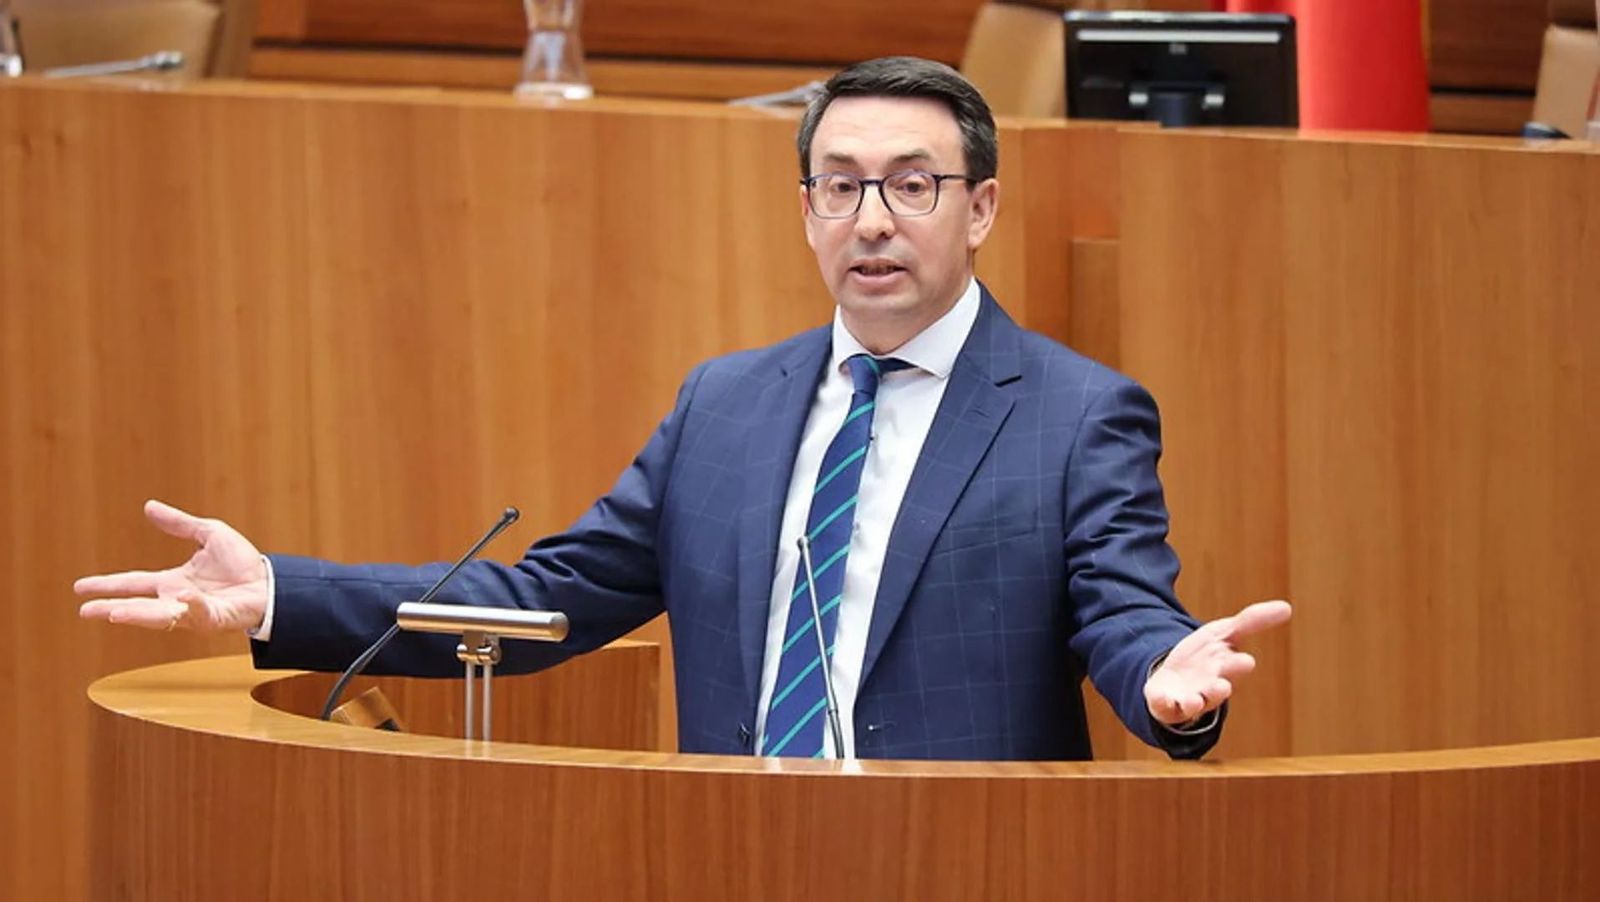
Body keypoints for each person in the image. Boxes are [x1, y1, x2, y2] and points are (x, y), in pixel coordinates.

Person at [76, 57, 1290, 761]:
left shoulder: (1076, 415)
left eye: (913, 185)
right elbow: (542, 596)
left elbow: (1128, 617)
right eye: (840, 184)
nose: (873, 218)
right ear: (804, 207)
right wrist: (280, 593)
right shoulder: (727, 404)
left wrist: (1166, 689)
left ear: (977, 209)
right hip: (729, 856)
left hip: (963, 864)